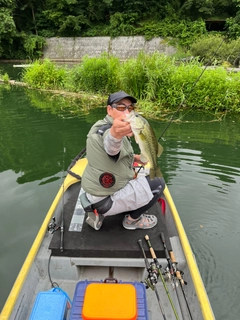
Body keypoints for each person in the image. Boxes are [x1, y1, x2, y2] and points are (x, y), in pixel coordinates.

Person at [81, 90, 165, 230]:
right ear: (109, 109)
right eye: (120, 107)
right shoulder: (107, 130)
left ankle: (118, 208)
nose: (127, 112)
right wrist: (115, 135)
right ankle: (132, 221)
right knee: (158, 183)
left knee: (144, 173)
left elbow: (115, 156)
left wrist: (135, 158)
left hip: (97, 194)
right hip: (105, 201)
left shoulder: (111, 126)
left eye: (130, 108)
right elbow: (111, 146)